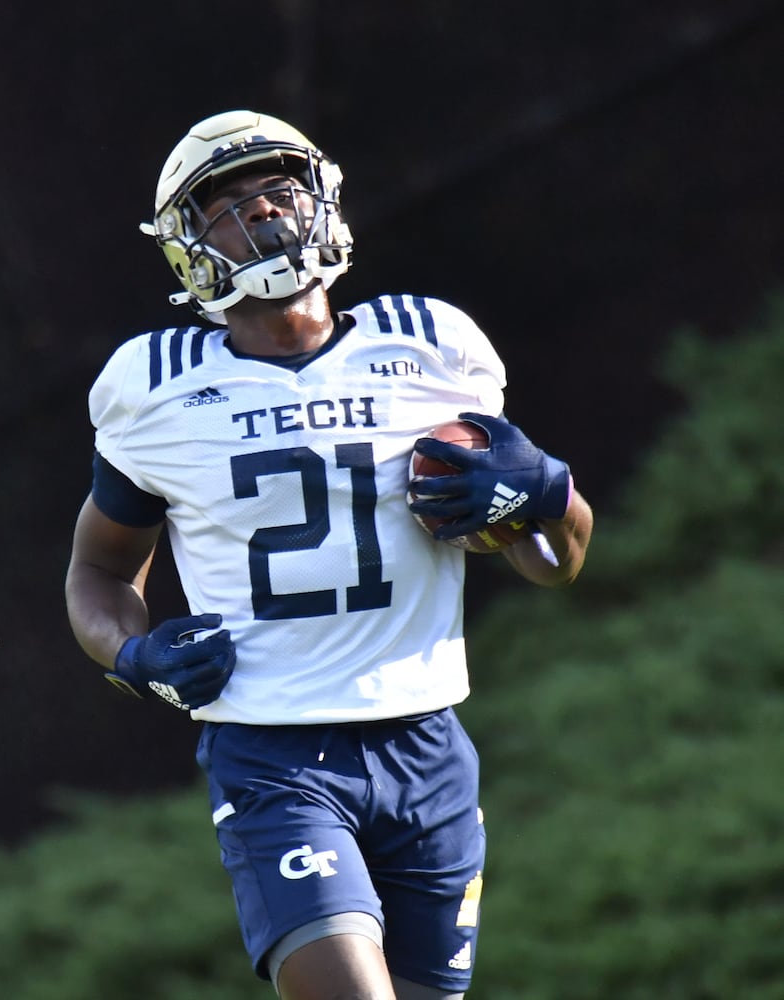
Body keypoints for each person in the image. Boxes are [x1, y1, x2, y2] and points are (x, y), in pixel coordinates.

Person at [64, 109, 594, 1000]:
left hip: (429, 741)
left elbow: (556, 561)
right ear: (188, 247)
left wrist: (546, 491)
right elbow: (100, 569)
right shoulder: (154, 390)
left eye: (277, 187)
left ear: (323, 199)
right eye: (228, 202)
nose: (263, 211)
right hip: (273, 754)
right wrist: (131, 654)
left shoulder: (433, 347)